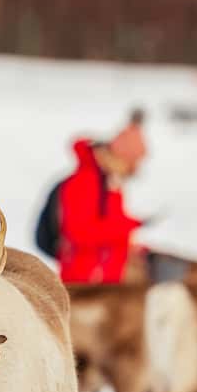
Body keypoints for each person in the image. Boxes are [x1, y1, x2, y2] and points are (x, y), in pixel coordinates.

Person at [57, 109, 147, 284]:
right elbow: (79, 233)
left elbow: (112, 220)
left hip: (106, 278)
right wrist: (128, 226)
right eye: (132, 164)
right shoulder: (83, 182)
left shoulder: (110, 182)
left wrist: (130, 243)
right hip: (84, 283)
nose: (133, 170)